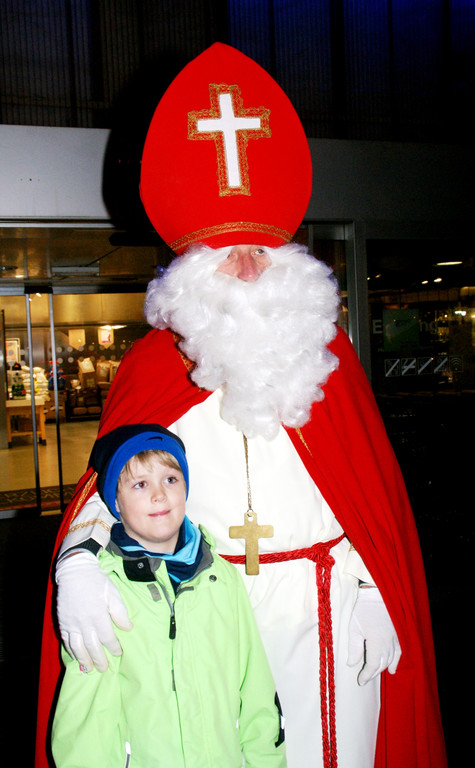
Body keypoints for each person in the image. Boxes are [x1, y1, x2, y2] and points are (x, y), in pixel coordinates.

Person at [36, 44, 447, 768]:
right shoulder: (152, 370)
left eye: (262, 247)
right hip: (200, 618)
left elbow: (369, 505)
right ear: (190, 274)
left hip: (328, 622)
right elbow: (111, 496)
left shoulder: (330, 363)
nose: (249, 264)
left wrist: (376, 591)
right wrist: (75, 563)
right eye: (227, 252)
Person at [51, 423, 286, 768]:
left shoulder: (221, 578)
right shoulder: (101, 594)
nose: (159, 495)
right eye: (140, 484)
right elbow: (87, 721)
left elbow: (257, 691)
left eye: (171, 480)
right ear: (114, 501)